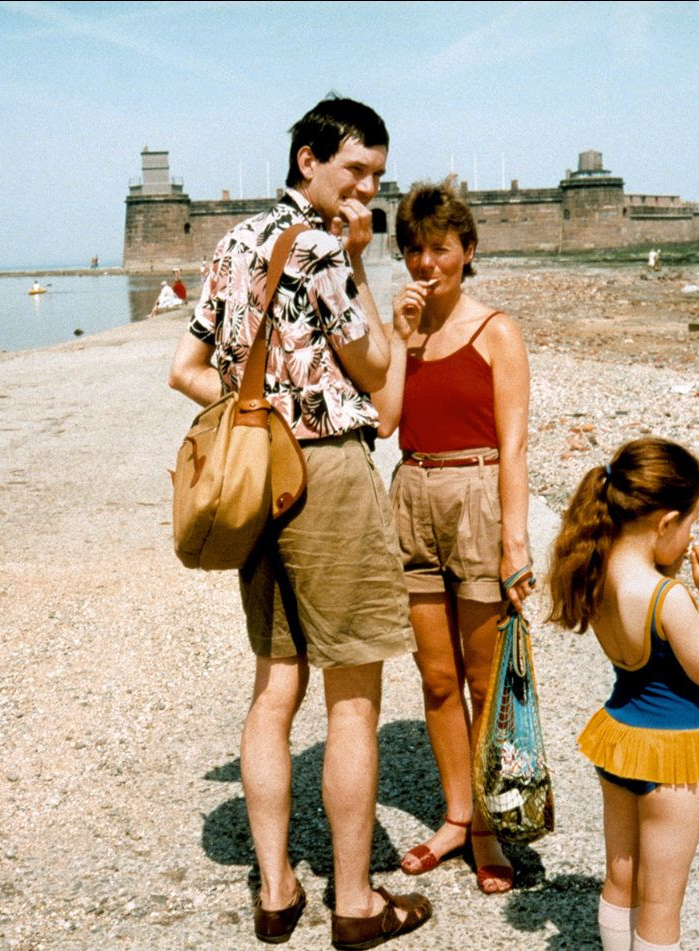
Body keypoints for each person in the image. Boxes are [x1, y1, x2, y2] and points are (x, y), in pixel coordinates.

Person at [168, 96, 431, 949]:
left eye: (377, 178)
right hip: (324, 474)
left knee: (275, 684)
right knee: (354, 692)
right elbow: (375, 363)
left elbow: (186, 368)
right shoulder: (322, 248)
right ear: (308, 159)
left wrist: (263, 417)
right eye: (355, 170)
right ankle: (353, 902)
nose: (365, 188)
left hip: (259, 475)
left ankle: (276, 889)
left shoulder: (233, 241)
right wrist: (364, 263)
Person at [370, 181, 533, 894]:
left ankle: (493, 827)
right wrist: (402, 343)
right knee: (436, 680)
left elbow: (516, 443)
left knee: (482, 676)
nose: (425, 262)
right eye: (414, 249)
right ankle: (457, 816)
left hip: (477, 493)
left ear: (467, 251)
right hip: (411, 490)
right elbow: (384, 423)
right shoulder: (402, 328)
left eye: (440, 248)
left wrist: (517, 543)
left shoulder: (497, 329)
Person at [547, 437, 699, 951]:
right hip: (671, 754)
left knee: (621, 877)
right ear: (666, 523)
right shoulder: (665, 598)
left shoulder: (596, 571)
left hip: (619, 738)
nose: (693, 534)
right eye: (692, 522)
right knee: (662, 901)